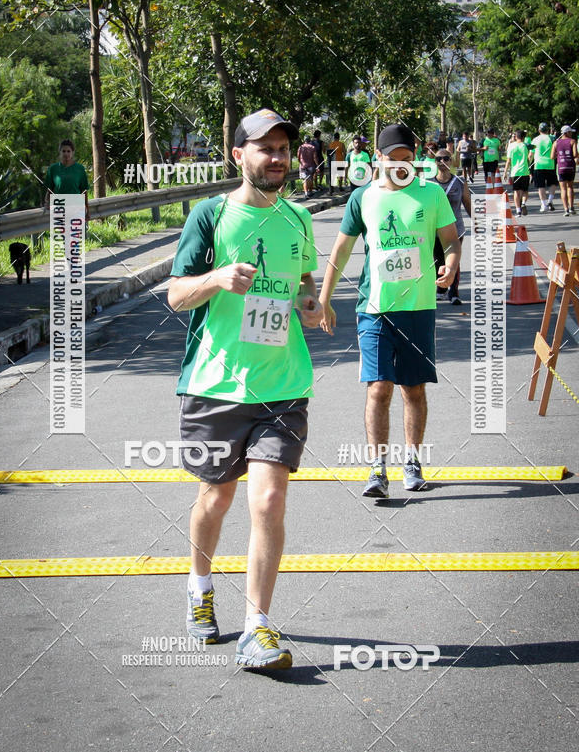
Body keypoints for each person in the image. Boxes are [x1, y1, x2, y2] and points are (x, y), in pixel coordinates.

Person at [167, 108, 322, 670]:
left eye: (283, 149)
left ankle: (257, 627)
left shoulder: (297, 218)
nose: (277, 158)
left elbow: (303, 279)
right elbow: (175, 296)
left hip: (283, 384)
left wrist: (311, 303)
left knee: (269, 499)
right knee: (216, 497)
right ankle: (199, 585)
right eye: (265, 148)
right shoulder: (210, 216)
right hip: (215, 385)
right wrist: (215, 278)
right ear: (239, 155)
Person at [319, 123, 461, 498]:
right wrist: (325, 298)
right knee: (379, 388)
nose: (401, 166)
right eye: (393, 159)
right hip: (375, 308)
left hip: (418, 308)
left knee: (413, 389)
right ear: (378, 158)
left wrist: (450, 264)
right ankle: (377, 469)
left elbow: (450, 241)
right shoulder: (362, 198)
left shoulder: (431, 193)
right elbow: (341, 250)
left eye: (408, 159)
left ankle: (412, 462)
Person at [431, 150, 472, 305]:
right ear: (435, 162)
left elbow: (467, 202)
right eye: (438, 159)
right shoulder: (428, 183)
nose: (442, 161)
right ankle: (441, 289)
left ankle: (454, 293)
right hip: (435, 230)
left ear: (451, 161)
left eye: (446, 158)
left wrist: (477, 221)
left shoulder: (460, 182)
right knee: (438, 260)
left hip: (456, 229)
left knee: (453, 259)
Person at [44, 139, 90, 221]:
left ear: (73, 152)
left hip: (76, 208)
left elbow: (84, 191)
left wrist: (87, 211)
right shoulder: (53, 169)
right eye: (63, 151)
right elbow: (49, 190)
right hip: (59, 207)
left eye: (68, 151)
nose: (66, 154)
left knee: (75, 229)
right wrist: (47, 203)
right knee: (61, 230)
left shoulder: (80, 169)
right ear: (60, 152)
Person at [531, 122, 557, 213]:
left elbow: (531, 154)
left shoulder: (535, 139)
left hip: (538, 165)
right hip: (550, 164)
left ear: (539, 130)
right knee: (553, 183)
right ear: (548, 130)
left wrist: (529, 163)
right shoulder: (552, 138)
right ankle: (550, 200)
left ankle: (544, 204)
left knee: (540, 186)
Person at [551, 125, 577, 216]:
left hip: (561, 168)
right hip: (570, 167)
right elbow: (575, 154)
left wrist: (558, 154)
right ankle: (571, 207)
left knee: (563, 189)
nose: (571, 134)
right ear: (567, 132)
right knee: (570, 187)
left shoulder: (556, 142)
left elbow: (552, 157)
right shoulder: (572, 141)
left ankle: (566, 209)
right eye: (570, 132)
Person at [504, 130, 531, 216]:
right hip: (525, 171)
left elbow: (508, 160)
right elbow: (530, 155)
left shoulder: (511, 146)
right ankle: (523, 203)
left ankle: (518, 210)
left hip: (515, 172)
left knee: (516, 191)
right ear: (524, 137)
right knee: (525, 191)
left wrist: (505, 172)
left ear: (516, 137)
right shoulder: (526, 145)